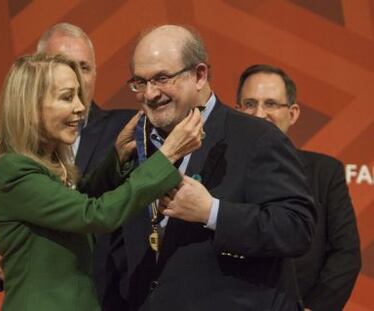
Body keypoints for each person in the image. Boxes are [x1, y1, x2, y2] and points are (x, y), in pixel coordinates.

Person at [101, 24, 316, 310]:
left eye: (162, 78)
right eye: (140, 82)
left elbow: (295, 228)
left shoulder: (257, 137)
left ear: (199, 75)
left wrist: (212, 212)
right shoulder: (133, 142)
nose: (150, 94)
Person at [0, 52, 203, 311]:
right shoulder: (13, 169)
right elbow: (94, 215)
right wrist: (168, 155)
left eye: (78, 95)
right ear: (30, 106)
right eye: (66, 97)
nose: (80, 107)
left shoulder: (47, 163)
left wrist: (116, 159)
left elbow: (75, 207)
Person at [0, 23, 135, 293]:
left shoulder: (126, 131)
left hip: (114, 300)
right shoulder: (12, 149)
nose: (76, 79)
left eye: (85, 68)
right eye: (65, 65)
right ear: (37, 78)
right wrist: (1, 265)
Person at [236, 64, 361, 311]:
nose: (260, 114)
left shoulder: (325, 173)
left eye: (271, 104)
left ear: (292, 113)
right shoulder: (217, 171)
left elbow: (345, 253)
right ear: (238, 112)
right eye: (250, 104)